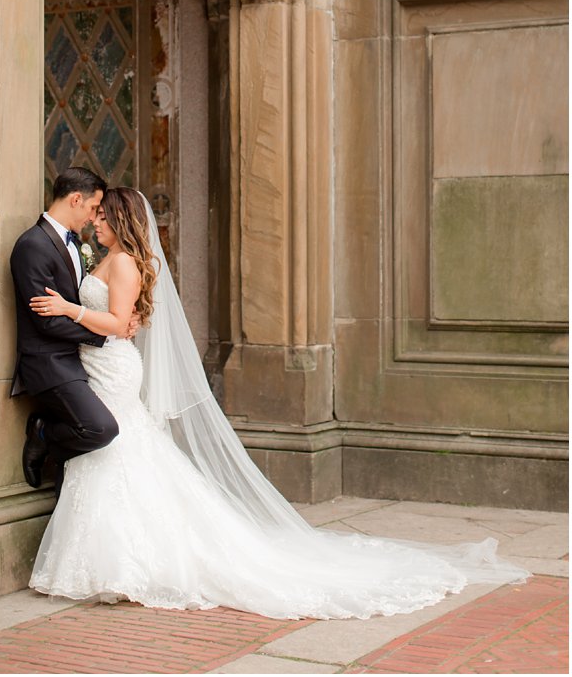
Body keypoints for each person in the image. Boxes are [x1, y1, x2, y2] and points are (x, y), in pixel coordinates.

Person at [27, 187, 528, 618]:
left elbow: (117, 324)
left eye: (103, 216)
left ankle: (124, 564)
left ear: (122, 221)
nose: (95, 222)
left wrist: (70, 308)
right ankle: (111, 562)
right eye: (94, 214)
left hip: (112, 367)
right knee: (121, 453)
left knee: (119, 452)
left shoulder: (126, 264)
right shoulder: (111, 260)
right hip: (100, 365)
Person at [9, 167, 118, 490]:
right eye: (91, 209)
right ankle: (42, 433)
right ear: (75, 199)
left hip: (78, 359)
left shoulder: (74, 244)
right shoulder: (32, 245)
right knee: (101, 428)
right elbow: (47, 320)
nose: (92, 218)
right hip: (49, 363)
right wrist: (102, 334)